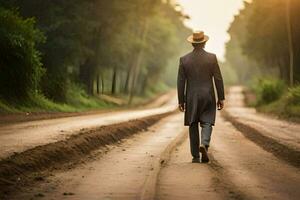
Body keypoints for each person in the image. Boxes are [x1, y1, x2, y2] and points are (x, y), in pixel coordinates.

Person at [177, 31, 225, 163]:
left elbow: (181, 82)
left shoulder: (184, 59)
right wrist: (221, 97)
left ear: (192, 43)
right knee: (207, 121)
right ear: (204, 43)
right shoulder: (212, 58)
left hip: (192, 96)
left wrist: (181, 100)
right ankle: (204, 144)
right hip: (208, 95)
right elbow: (218, 79)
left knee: (193, 124)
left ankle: (195, 156)